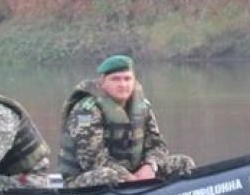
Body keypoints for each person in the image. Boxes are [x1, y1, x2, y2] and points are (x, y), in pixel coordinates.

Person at [58, 54, 195, 187]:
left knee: (184, 163)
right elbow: (91, 160)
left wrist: (150, 166)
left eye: (127, 79)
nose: (122, 84)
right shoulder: (86, 110)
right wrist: (129, 177)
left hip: (134, 172)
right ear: (103, 83)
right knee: (108, 175)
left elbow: (157, 145)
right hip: (84, 177)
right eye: (115, 79)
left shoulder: (143, 106)